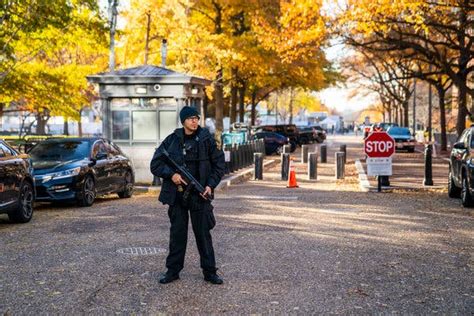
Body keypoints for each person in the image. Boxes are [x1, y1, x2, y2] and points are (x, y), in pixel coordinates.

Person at [150, 106, 226, 285]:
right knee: (177, 234)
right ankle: (172, 271)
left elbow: (219, 164)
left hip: (200, 194)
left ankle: (210, 272)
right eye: (191, 118)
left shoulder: (207, 139)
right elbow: (155, 164)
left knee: (203, 235)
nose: (194, 121)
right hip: (177, 195)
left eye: (196, 118)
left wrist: (210, 185)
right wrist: (172, 175)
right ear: (183, 121)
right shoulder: (172, 140)